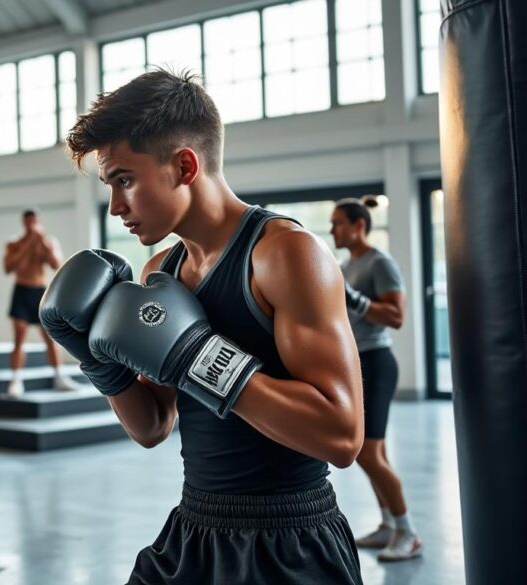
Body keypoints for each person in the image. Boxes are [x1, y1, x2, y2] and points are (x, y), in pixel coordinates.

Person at [42, 69, 365, 583]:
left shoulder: (284, 254)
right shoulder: (160, 272)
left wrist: (198, 357)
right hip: (194, 529)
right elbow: (152, 426)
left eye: (125, 179)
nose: (115, 207)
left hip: (291, 542)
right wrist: (95, 358)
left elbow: (342, 436)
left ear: (184, 165)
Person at [331, 197, 422, 562]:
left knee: (367, 452)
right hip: (356, 362)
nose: (334, 229)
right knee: (374, 453)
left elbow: (396, 316)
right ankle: (388, 523)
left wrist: (355, 300)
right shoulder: (344, 266)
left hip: (377, 361)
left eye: (338, 222)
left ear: (358, 225)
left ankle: (408, 532)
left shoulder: (379, 263)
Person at [2, 209, 78, 397]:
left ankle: (59, 376)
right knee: (19, 336)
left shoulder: (47, 242)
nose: (31, 225)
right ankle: (16, 380)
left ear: (38, 221)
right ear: (24, 222)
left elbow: (56, 265)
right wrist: (28, 245)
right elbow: (8, 267)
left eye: (34, 222)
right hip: (21, 290)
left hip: (39, 291)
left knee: (50, 336)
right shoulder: (15, 244)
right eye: (28, 222)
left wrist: (42, 244)